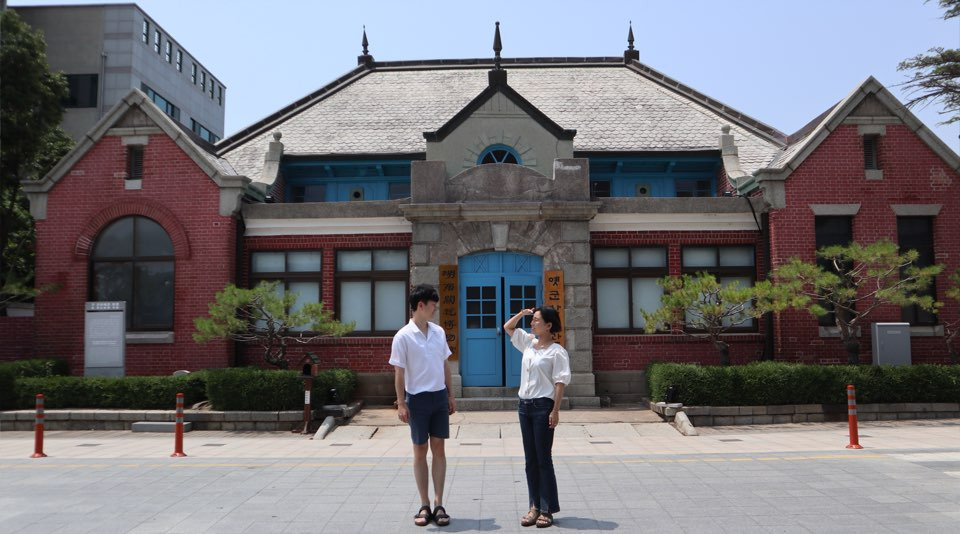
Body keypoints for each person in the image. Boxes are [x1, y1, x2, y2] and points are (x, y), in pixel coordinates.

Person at [390, 284, 457, 527]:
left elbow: (445, 365)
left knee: (439, 449)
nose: (435, 310)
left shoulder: (438, 332)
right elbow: (399, 372)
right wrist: (401, 403)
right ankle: (424, 503)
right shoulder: (403, 336)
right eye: (432, 306)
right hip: (416, 400)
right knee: (420, 450)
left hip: (439, 397)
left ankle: (439, 503)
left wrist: (450, 395)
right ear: (421, 305)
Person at [503, 305, 571, 528]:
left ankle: (546, 509)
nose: (532, 323)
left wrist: (555, 410)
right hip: (524, 407)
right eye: (532, 320)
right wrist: (522, 314)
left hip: (543, 407)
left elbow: (560, 383)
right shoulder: (529, 344)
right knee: (530, 460)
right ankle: (534, 506)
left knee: (543, 458)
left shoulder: (557, 352)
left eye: (537, 320)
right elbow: (508, 327)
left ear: (549, 325)